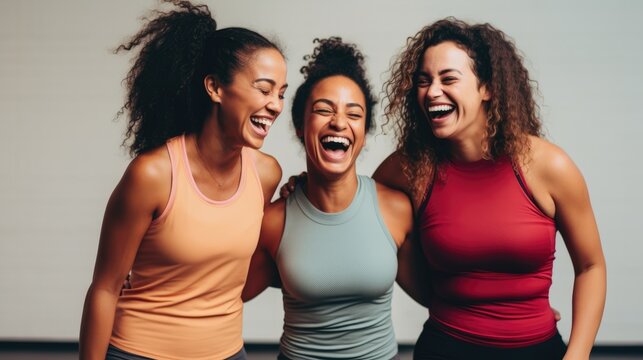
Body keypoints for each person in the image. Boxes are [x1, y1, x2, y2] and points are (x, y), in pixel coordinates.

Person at [372, 18, 606, 360]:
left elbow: (591, 267)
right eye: (424, 81)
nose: (432, 91)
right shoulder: (409, 169)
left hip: (538, 351)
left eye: (448, 78)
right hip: (445, 348)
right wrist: (301, 188)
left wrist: (578, 354)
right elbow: (350, 202)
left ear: (488, 88)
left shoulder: (548, 166)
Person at [79, 1, 287, 359]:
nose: (276, 105)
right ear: (215, 88)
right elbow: (104, 288)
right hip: (139, 352)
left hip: (226, 353)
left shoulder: (267, 173)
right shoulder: (154, 174)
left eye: (281, 93)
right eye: (264, 89)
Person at [243, 37, 428, 360]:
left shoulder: (395, 210)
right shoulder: (273, 221)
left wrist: (522, 309)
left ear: (364, 132)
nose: (339, 122)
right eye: (323, 110)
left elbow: (438, 295)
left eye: (353, 114)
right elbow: (224, 293)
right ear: (301, 126)